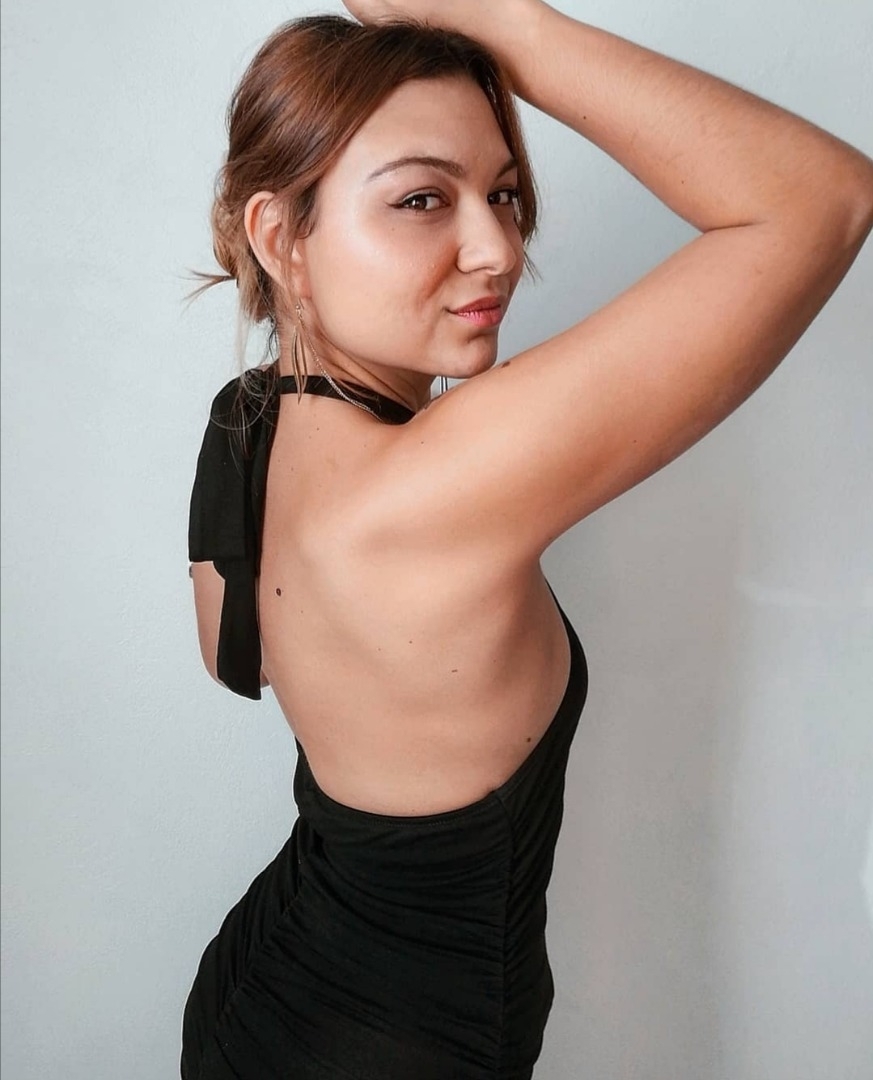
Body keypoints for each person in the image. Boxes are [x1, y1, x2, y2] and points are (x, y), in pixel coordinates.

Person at [182, 2, 873, 1077]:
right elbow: (822, 197)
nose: (498, 248)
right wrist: (501, 18)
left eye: (502, 193)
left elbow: (234, 652)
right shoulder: (439, 487)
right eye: (421, 198)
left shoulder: (248, 422)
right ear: (281, 238)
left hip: (260, 990)